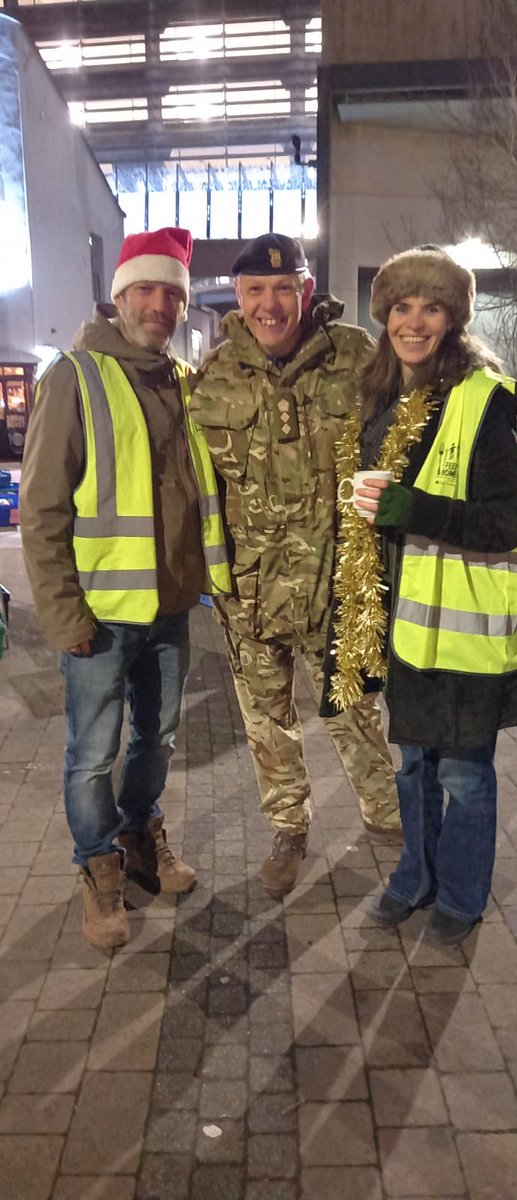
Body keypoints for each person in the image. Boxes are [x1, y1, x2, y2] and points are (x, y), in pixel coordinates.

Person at [19, 227, 231, 949]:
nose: (162, 305)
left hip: (171, 609)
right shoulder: (72, 377)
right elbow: (41, 507)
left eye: (173, 293)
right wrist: (61, 612)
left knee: (159, 740)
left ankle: (140, 833)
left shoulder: (179, 380)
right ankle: (98, 869)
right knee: (90, 755)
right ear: (120, 297)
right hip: (100, 616)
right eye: (148, 289)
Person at [327, 245, 517, 944]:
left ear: (453, 318)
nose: (414, 322)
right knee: (412, 766)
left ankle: (461, 897)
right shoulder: (378, 395)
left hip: (466, 631)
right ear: (385, 316)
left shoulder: (481, 399)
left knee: (466, 777)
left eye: (432, 307)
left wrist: (416, 511)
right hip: (400, 623)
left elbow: (512, 522)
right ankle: (414, 878)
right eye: (402, 308)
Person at [189, 232, 400, 901]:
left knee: (354, 710)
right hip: (248, 594)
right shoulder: (214, 377)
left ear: (306, 290)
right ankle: (288, 827)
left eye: (285, 288)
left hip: (335, 587)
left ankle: (386, 815)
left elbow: (404, 436)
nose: (271, 304)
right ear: (239, 297)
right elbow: (193, 485)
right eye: (256, 291)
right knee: (266, 722)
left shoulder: (357, 360)